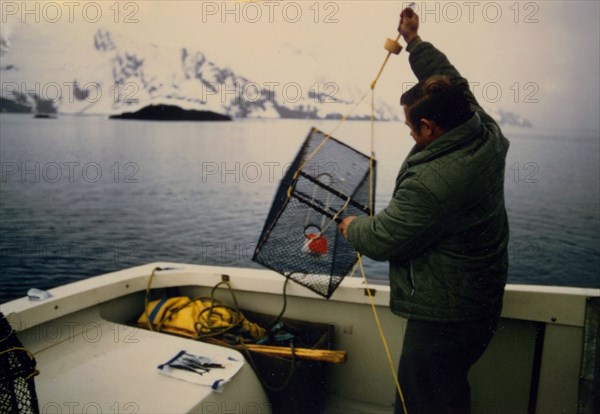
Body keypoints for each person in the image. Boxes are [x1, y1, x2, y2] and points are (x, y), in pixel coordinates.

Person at [338, 7, 510, 414]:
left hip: (446, 318)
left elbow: (382, 238)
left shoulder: (435, 184)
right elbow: (452, 79)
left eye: (412, 128)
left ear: (430, 128)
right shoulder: (482, 129)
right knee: (445, 395)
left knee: (422, 403)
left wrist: (348, 226)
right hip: (479, 300)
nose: (410, 134)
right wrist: (413, 41)